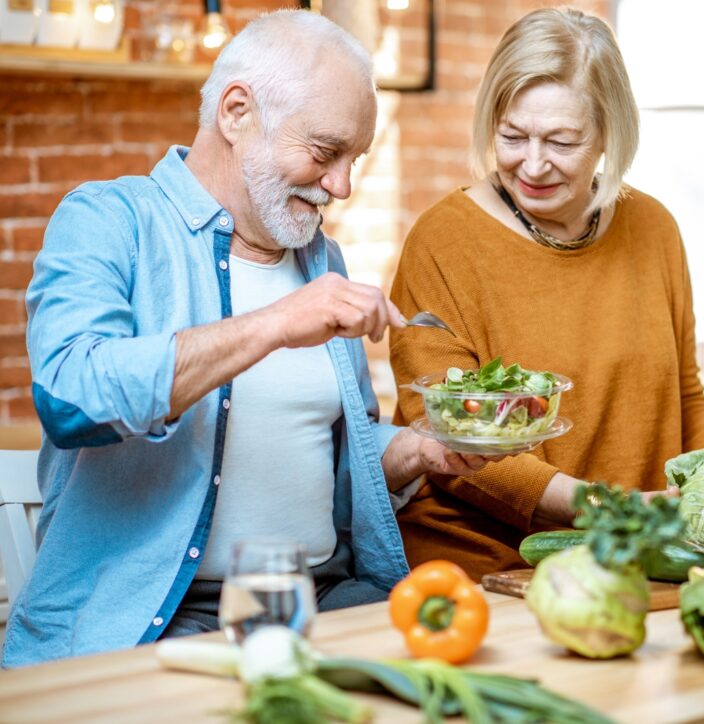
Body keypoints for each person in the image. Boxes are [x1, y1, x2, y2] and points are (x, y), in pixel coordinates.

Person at [2, 10, 491, 668]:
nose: (341, 186)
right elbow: (72, 399)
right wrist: (272, 325)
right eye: (324, 153)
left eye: (354, 160)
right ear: (236, 112)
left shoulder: (322, 261)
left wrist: (419, 450)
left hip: (329, 601)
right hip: (163, 621)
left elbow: (325, 459)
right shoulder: (108, 220)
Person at [388, 7, 704, 581]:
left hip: (635, 558)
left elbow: (684, 395)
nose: (531, 164)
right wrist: (610, 509)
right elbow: (447, 438)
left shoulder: (653, 228)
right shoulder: (443, 241)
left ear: (609, 133)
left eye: (562, 140)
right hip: (488, 568)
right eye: (512, 136)